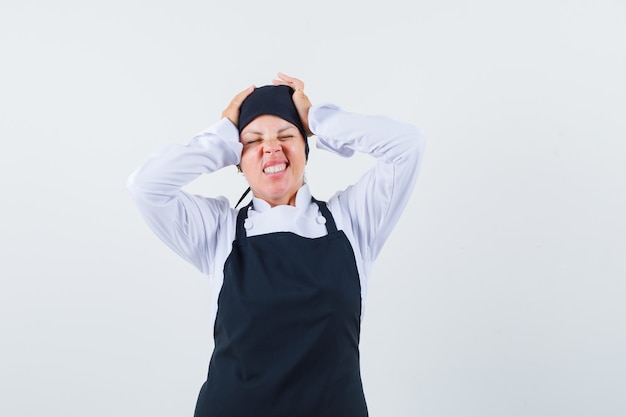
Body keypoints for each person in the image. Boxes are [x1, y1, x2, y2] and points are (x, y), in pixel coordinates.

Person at [127, 72, 425, 417]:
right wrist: (221, 136)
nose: (271, 147)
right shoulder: (218, 231)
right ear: (237, 159)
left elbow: (407, 145)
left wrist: (317, 118)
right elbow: (145, 187)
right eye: (252, 141)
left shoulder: (353, 220)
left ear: (306, 148)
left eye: (287, 135)